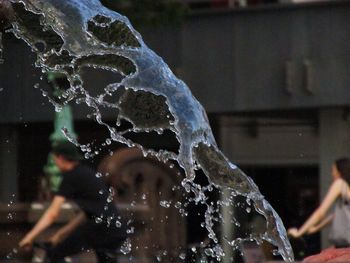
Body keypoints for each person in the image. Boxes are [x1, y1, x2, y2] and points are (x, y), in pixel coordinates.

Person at [19, 141, 127, 262]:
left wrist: (29, 237)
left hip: (100, 229)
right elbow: (88, 213)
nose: (54, 162)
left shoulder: (71, 176)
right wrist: (60, 234)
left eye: (54, 158)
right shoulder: (85, 172)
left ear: (60, 157)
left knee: (54, 254)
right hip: (114, 229)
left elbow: (52, 214)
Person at [288, 158, 350, 248]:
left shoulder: (340, 183)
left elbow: (321, 212)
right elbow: (335, 215)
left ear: (340, 172)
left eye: (333, 170)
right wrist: (316, 228)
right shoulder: (347, 189)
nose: (332, 174)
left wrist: (299, 233)